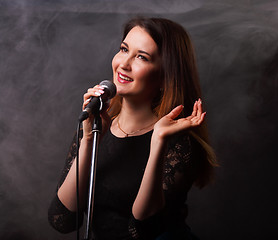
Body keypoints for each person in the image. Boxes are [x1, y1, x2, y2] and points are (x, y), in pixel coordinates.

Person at [48, 17, 217, 240]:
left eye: (141, 57)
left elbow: (142, 231)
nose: (124, 64)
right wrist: (89, 140)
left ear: (165, 75)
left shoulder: (179, 143)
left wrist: (158, 141)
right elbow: (62, 219)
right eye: (124, 49)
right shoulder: (94, 127)